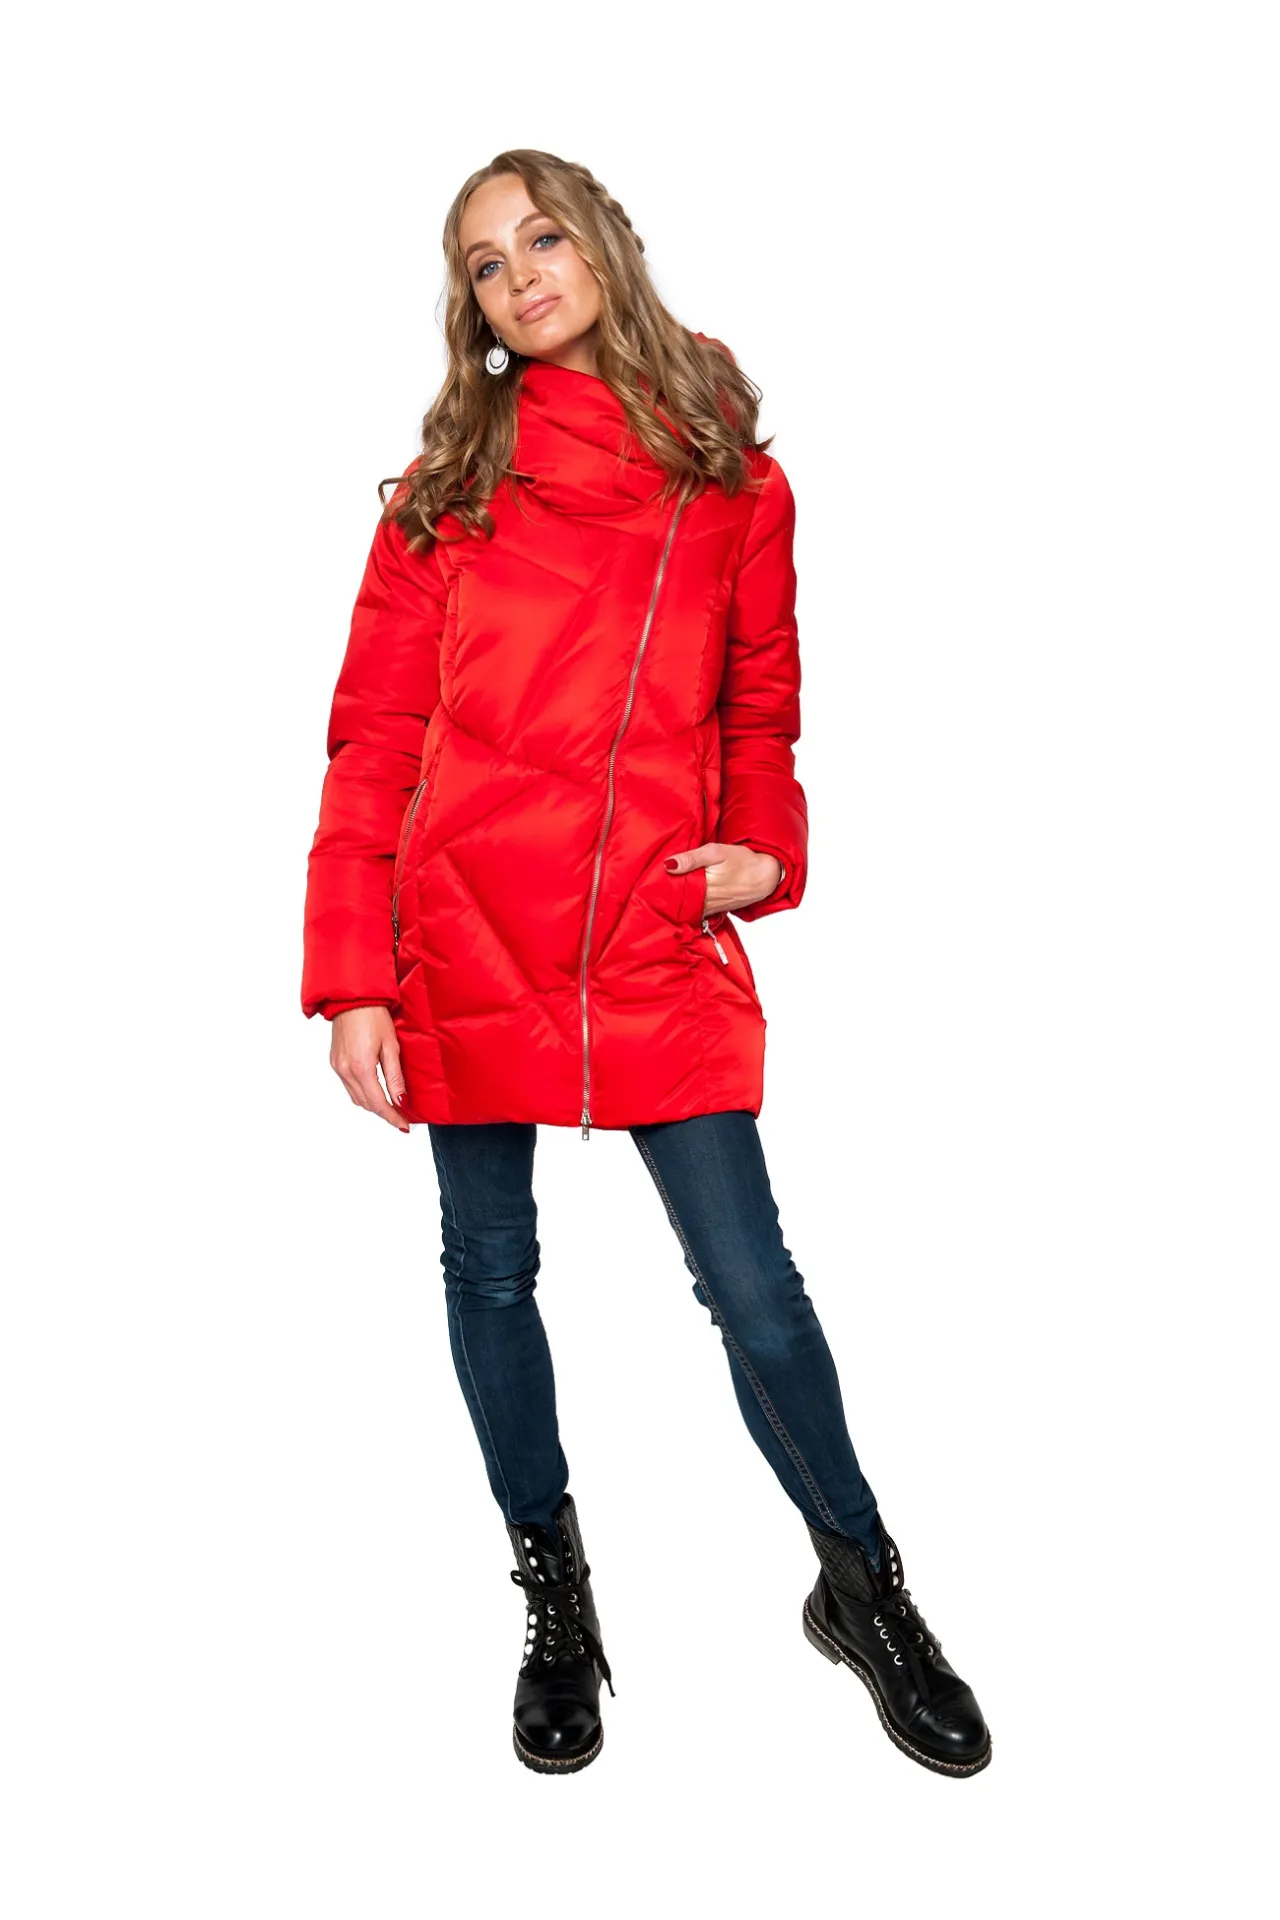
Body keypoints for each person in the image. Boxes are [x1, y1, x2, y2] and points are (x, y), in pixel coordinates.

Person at [300, 148, 991, 1780]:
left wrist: (764, 844)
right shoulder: (447, 495)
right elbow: (371, 738)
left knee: (753, 1287)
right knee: (489, 1271)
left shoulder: (728, 479)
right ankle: (557, 1601)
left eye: (542, 236)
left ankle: (863, 1585)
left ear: (606, 241)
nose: (520, 274)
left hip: (644, 926)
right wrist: (352, 979)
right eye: (485, 264)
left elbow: (761, 698)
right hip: (462, 920)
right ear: (471, 311)